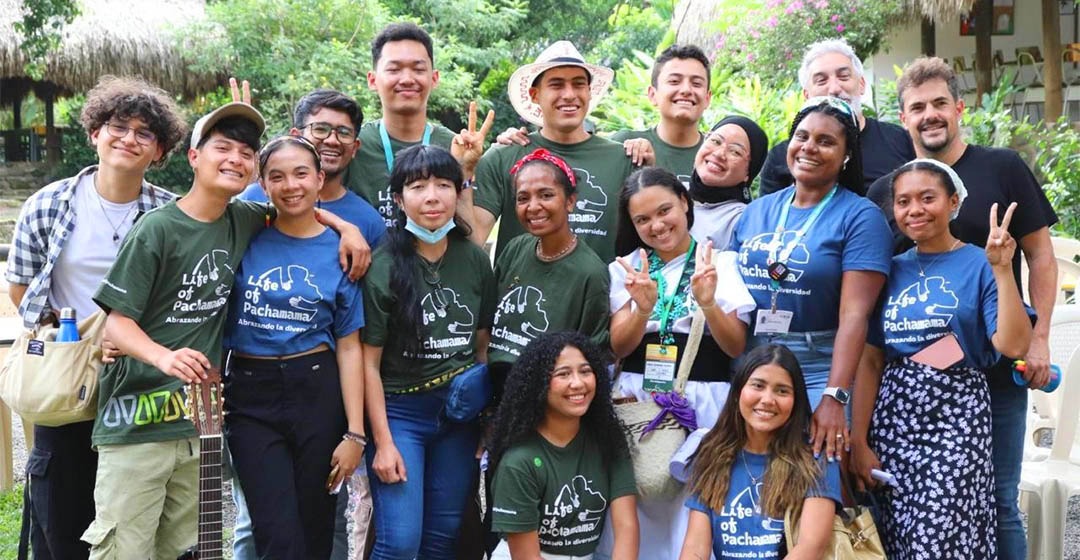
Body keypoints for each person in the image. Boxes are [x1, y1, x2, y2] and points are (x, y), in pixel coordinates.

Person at [85, 99, 368, 560]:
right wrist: (160, 355)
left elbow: (298, 210)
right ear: (194, 156)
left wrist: (346, 228)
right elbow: (117, 319)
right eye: (223, 148)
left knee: (186, 548)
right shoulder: (159, 227)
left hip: (197, 420)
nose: (235, 158)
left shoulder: (245, 220)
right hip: (137, 418)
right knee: (126, 548)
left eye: (245, 152)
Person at [864, 57, 1058, 560]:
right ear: (903, 118)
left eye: (939, 103)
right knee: (905, 510)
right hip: (910, 389)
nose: (929, 115)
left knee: (998, 501)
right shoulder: (890, 189)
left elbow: (1040, 255)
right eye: (917, 107)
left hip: (991, 367)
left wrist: (1039, 339)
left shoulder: (1002, 167)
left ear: (959, 108)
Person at [7, 75, 184, 560]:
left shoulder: (169, 213)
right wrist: (75, 336)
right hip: (68, 375)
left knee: (135, 516)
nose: (128, 138)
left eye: (144, 133)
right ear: (94, 133)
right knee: (60, 516)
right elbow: (21, 289)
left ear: (159, 151)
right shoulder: (48, 204)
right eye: (118, 127)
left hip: (141, 381)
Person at [851, 160, 1033, 560]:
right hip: (894, 420)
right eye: (903, 201)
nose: (914, 209)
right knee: (896, 534)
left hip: (956, 419)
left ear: (953, 202)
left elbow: (1014, 344)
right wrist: (859, 441)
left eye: (927, 198)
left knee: (940, 534)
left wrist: (1003, 271)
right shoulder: (890, 270)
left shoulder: (980, 263)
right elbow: (871, 360)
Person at [231, 90, 378, 560]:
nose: (290, 185)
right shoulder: (243, 232)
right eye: (276, 176)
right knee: (275, 531)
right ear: (262, 184)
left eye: (301, 174)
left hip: (317, 389)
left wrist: (354, 434)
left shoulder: (343, 251)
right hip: (250, 396)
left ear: (319, 179)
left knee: (315, 528)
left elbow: (350, 347)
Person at [599, 166, 755, 559]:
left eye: (664, 210)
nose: (656, 225)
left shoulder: (720, 262)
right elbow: (619, 346)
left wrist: (708, 302)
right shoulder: (626, 267)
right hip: (638, 399)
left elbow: (735, 345)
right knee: (637, 501)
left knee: (691, 511)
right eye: (642, 219)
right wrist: (641, 309)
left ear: (685, 203)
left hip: (701, 401)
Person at [729, 96, 892, 462]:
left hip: (819, 365)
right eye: (801, 136)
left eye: (826, 141)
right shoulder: (757, 211)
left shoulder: (861, 217)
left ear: (847, 155)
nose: (809, 147)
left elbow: (855, 315)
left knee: (815, 477)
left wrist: (835, 396)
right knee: (750, 475)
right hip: (753, 358)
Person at [362, 144, 496, 559]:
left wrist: (486, 419)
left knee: (441, 539)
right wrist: (382, 442)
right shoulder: (383, 264)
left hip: (459, 416)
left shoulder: (475, 260)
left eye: (443, 185)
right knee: (399, 542)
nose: (432, 197)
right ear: (399, 200)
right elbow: (368, 363)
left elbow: (482, 347)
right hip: (400, 415)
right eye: (418, 187)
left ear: (458, 192)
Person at [470, 40, 633, 264]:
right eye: (556, 85)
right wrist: (464, 169)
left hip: (602, 287)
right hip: (521, 286)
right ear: (535, 94)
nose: (569, 94)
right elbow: (472, 241)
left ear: (589, 92)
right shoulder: (503, 157)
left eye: (578, 84)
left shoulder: (623, 159)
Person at [679, 344, 842, 560]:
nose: (767, 400)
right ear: (737, 392)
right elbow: (694, 549)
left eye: (782, 391)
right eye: (758, 386)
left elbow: (811, 547)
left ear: (796, 401)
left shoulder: (815, 457)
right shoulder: (711, 454)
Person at [489, 331, 638, 559]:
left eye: (585, 371)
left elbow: (627, 527)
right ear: (539, 384)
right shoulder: (519, 462)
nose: (578, 383)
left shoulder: (608, 440)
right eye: (563, 374)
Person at [488, 149, 611, 390]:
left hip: (546, 395)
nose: (533, 207)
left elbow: (592, 352)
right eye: (523, 198)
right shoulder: (515, 248)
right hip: (494, 387)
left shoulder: (590, 273)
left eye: (546, 195)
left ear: (570, 201)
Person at [758, 39, 914, 196]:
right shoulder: (786, 156)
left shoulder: (899, 140)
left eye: (844, 77)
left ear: (861, 84)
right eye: (821, 81)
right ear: (807, 95)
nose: (834, 89)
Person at [238, 89, 385, 247]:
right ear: (296, 136)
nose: (332, 141)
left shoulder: (369, 221)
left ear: (355, 147)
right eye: (320, 129)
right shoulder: (253, 200)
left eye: (344, 133)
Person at [343, 23, 457, 227]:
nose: (407, 79)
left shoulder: (456, 148)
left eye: (418, 69)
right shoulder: (351, 146)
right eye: (394, 69)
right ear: (372, 80)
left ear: (434, 78)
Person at [609, 44, 712, 183]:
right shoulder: (626, 146)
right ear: (652, 95)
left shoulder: (716, 156)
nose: (686, 90)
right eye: (674, 81)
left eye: (697, 83)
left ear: (707, 98)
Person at [687, 116, 768, 251]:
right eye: (715, 141)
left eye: (735, 152)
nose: (719, 154)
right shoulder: (674, 192)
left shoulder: (743, 220)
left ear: (748, 173)